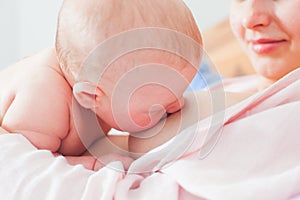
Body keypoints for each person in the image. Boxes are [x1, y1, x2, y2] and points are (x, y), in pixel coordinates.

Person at [0, 0, 202, 171]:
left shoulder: (105, 84)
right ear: (92, 97)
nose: (178, 105)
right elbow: (24, 167)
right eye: (157, 106)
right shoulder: (44, 104)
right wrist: (91, 164)